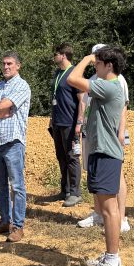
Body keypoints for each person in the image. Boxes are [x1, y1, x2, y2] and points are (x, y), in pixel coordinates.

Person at [67, 46, 127, 266]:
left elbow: (72, 78)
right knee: (104, 208)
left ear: (109, 66)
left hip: (106, 153)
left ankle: (113, 261)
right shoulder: (107, 86)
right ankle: (109, 255)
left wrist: (84, 59)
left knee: (110, 210)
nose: (95, 67)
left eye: (98, 64)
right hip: (100, 152)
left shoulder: (109, 85)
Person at [78, 43, 131, 234]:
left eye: (97, 60)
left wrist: (121, 133)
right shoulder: (96, 77)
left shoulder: (117, 81)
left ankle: (121, 217)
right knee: (100, 185)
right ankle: (100, 213)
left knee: (117, 177)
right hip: (96, 138)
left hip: (111, 139)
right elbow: (85, 103)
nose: (94, 63)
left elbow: (123, 108)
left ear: (108, 63)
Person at [0, 51, 32, 242]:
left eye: (10, 63)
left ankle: (18, 226)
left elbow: (3, 105)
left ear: (18, 65)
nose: (6, 67)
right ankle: (5, 221)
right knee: (0, 185)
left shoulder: (22, 86)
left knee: (17, 186)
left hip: (13, 141)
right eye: (4, 64)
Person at [48, 43, 85, 207]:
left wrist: (79, 123)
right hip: (57, 122)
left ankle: (76, 193)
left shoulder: (74, 73)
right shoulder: (58, 73)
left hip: (70, 122)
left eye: (55, 53)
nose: (53, 56)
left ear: (63, 55)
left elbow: (82, 100)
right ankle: (65, 190)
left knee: (72, 157)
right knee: (61, 156)